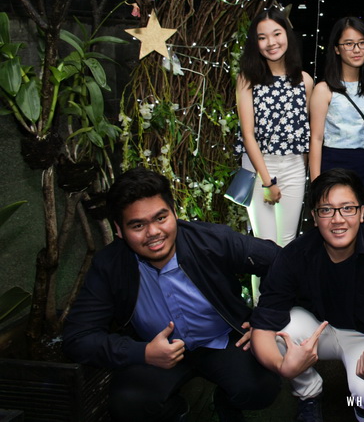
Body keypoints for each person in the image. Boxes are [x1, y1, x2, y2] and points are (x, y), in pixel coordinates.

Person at [63, 168, 281, 422]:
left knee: (262, 388)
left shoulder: (211, 240)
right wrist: (142, 352)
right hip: (155, 351)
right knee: (127, 403)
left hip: (222, 340)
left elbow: (282, 263)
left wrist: (264, 320)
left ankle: (225, 401)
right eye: (138, 225)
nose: (153, 232)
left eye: (160, 218)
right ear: (119, 230)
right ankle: (176, 412)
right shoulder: (109, 265)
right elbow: (78, 338)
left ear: (174, 213)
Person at [250, 169, 364, 422]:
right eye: (326, 210)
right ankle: (309, 392)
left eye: (348, 208)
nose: (338, 219)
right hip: (317, 329)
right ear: (314, 217)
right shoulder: (294, 255)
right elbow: (264, 324)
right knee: (279, 332)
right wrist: (282, 367)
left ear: (362, 213)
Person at [234, 6, 313, 247]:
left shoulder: (305, 81)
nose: (271, 42)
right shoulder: (248, 78)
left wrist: (306, 170)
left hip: (294, 166)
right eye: (262, 37)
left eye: (277, 34)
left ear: (287, 34)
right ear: (255, 43)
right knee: (264, 243)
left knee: (288, 242)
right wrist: (267, 182)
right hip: (259, 167)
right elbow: (248, 134)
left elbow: (307, 133)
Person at [309, 17, 364, 190]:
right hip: (334, 163)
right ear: (337, 49)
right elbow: (316, 139)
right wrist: (316, 184)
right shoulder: (323, 89)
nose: (357, 49)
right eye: (349, 44)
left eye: (362, 43)